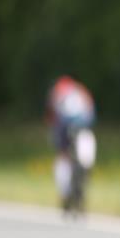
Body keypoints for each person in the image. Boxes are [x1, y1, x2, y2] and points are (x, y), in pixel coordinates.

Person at [46, 75, 96, 213]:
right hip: (83, 131)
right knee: (83, 164)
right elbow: (91, 114)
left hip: (70, 131)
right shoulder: (81, 91)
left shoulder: (59, 94)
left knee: (64, 159)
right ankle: (76, 196)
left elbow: (52, 118)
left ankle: (68, 194)